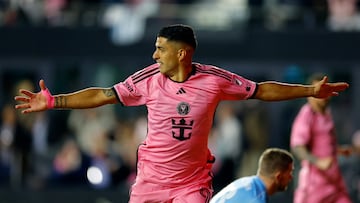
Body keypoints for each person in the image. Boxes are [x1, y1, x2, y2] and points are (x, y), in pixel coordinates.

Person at [14, 24, 349, 202]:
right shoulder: (146, 80)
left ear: (183, 53)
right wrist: (55, 101)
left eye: (161, 48)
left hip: (191, 184)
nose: (154, 54)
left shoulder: (215, 81)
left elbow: (261, 90)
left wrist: (309, 91)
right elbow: (103, 94)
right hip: (150, 182)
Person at [290, 73, 353, 203]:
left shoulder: (327, 114)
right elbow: (297, 147)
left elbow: (325, 144)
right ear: (310, 95)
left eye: (326, 91)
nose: (324, 96)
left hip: (334, 181)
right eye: (319, 91)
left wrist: (339, 150)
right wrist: (318, 162)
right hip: (314, 184)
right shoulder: (306, 115)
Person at [210, 148, 294, 203]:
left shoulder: (244, 182)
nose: (291, 177)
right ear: (278, 176)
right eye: (289, 173)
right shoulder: (256, 199)